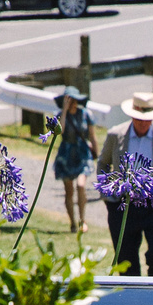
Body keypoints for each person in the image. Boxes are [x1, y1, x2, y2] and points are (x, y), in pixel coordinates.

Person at [96, 92, 153, 275]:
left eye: (148, 119)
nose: (143, 123)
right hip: (123, 205)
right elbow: (103, 163)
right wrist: (108, 193)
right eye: (139, 118)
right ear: (131, 115)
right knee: (126, 261)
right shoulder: (116, 135)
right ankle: (132, 301)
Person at [51, 86, 97, 240]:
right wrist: (64, 111)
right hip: (66, 154)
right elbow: (61, 131)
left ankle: (82, 220)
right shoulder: (60, 115)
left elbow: (92, 135)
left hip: (82, 153)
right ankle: (72, 222)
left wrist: (97, 151)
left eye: (74, 100)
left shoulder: (85, 114)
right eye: (69, 100)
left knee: (81, 185)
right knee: (69, 191)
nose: (73, 103)